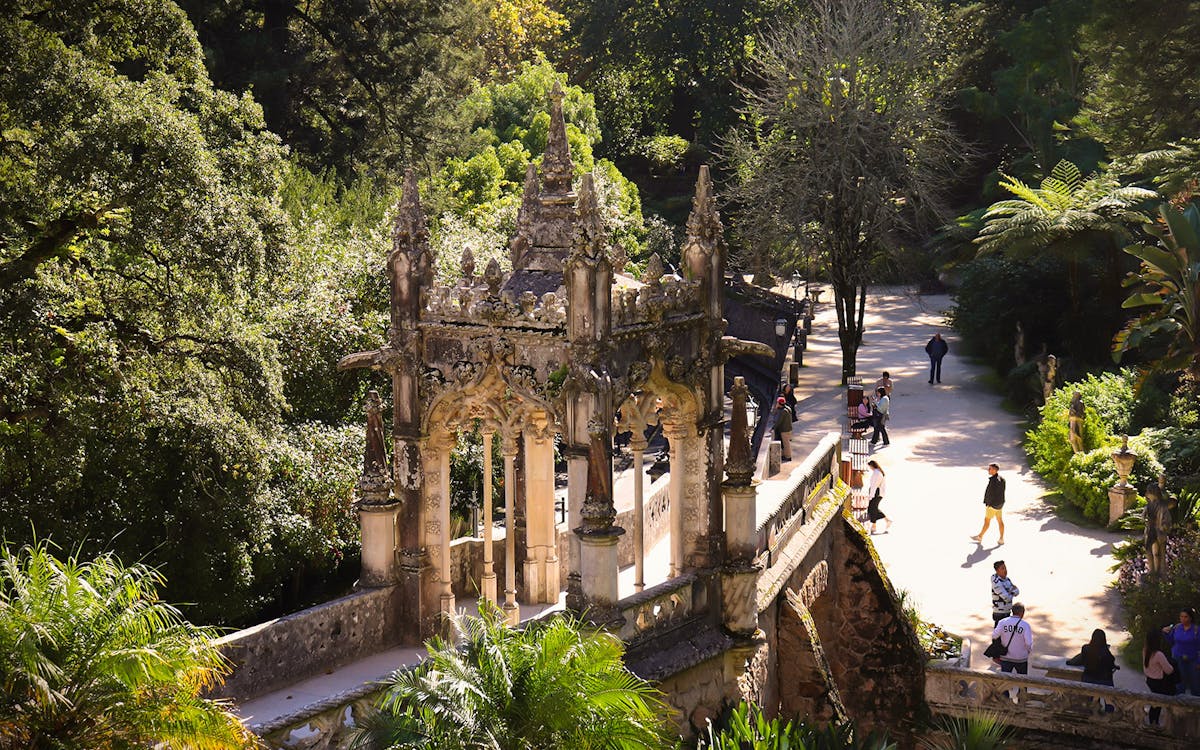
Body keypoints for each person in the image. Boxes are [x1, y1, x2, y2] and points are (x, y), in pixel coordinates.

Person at [1163, 607, 1200, 695]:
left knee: (1195, 682)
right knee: (1179, 683)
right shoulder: (1177, 628)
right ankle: (1179, 704)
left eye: (1185, 617)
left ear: (1190, 618)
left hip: (1193, 659)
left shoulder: (1196, 630)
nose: (1183, 619)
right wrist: (1165, 633)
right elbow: (1171, 641)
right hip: (1178, 658)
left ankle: (1195, 705)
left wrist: (1199, 661)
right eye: (1181, 616)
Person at [1144, 629, 1177, 725]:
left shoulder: (1146, 651)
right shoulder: (1158, 654)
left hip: (1150, 680)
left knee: (1155, 704)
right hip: (1160, 682)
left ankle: (1153, 722)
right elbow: (1169, 670)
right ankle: (1160, 722)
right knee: (1158, 703)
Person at [991, 602, 1033, 674]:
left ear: (1012, 611)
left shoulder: (1002, 622)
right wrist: (1028, 651)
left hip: (1005, 657)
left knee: (1005, 680)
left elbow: (994, 636)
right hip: (1021, 658)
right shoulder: (1025, 625)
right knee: (1022, 680)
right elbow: (1028, 643)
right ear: (1022, 613)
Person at [970, 464, 1006, 545]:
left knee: (987, 521)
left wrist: (989, 504)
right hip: (1000, 504)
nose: (988, 470)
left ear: (994, 470)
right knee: (1000, 520)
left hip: (993, 505)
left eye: (990, 469)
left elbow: (991, 494)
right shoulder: (1002, 479)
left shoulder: (994, 481)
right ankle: (1001, 539)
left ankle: (980, 536)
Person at [990, 560, 1019, 624]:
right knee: (998, 634)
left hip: (1007, 612)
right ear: (997, 571)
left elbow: (1017, 591)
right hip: (999, 614)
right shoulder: (996, 582)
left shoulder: (1007, 580)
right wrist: (1012, 591)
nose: (1005, 570)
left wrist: (1010, 592)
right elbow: (1007, 598)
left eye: (1005, 568)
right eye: (1002, 568)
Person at [866, 460, 889, 534]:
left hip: (876, 493)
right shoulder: (878, 472)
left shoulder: (877, 473)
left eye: (870, 466)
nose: (870, 468)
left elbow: (874, 486)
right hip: (877, 492)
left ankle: (886, 521)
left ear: (872, 465)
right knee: (873, 508)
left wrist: (871, 496)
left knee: (873, 508)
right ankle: (874, 526)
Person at [771, 396, 793, 462]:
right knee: (785, 443)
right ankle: (784, 455)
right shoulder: (787, 408)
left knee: (786, 444)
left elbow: (778, 421)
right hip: (788, 428)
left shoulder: (783, 411)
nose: (776, 404)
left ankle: (788, 457)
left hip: (785, 430)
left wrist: (773, 428)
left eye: (777, 403)